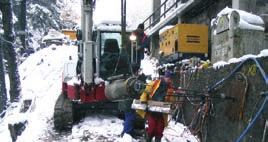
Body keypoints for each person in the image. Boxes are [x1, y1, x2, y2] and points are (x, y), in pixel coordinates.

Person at [136, 70, 174, 142]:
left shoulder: (170, 88)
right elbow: (145, 91)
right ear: (165, 77)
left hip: (161, 111)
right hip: (151, 109)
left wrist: (171, 104)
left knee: (160, 128)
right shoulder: (155, 83)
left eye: (170, 79)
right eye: (168, 78)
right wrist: (143, 100)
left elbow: (170, 99)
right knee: (152, 126)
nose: (169, 80)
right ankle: (148, 138)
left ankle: (158, 139)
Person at [118, 64, 146, 138]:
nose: (139, 71)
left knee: (129, 117)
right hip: (127, 103)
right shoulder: (132, 79)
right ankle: (127, 133)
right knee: (130, 117)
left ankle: (126, 131)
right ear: (136, 70)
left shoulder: (128, 76)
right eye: (138, 70)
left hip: (125, 101)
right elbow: (137, 90)